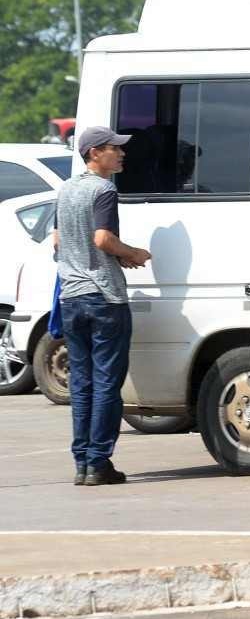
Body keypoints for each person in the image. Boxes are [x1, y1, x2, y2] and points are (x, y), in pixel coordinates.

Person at [54, 126, 151, 487]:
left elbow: (58, 240)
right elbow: (102, 238)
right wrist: (132, 254)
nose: (122, 154)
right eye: (115, 149)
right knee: (107, 382)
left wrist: (98, 257)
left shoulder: (66, 190)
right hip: (104, 298)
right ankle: (99, 462)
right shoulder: (103, 189)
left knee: (81, 383)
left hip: (71, 297)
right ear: (95, 153)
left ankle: (81, 463)